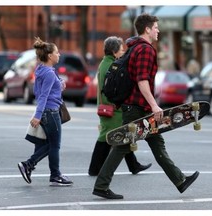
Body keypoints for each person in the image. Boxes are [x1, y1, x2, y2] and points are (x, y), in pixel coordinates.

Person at [92, 13, 199, 199]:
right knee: (123, 146)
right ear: (147, 29)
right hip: (137, 107)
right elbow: (142, 81)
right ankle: (101, 186)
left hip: (137, 106)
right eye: (156, 27)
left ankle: (180, 180)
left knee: (157, 144)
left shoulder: (133, 48)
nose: (158, 30)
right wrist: (155, 106)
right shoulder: (146, 50)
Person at [88, 36, 152, 176]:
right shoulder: (111, 65)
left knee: (122, 136)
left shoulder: (105, 63)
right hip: (112, 109)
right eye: (121, 49)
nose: (123, 52)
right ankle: (94, 168)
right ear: (114, 51)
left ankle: (133, 165)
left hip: (108, 107)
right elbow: (110, 90)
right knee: (107, 137)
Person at [17, 37, 73, 186]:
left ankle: (33, 166)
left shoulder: (42, 70)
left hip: (48, 111)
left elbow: (39, 90)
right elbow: (43, 95)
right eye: (57, 52)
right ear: (50, 56)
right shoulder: (48, 73)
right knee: (55, 145)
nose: (59, 54)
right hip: (51, 112)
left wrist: (59, 84)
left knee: (49, 144)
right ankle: (47, 172)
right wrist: (37, 115)